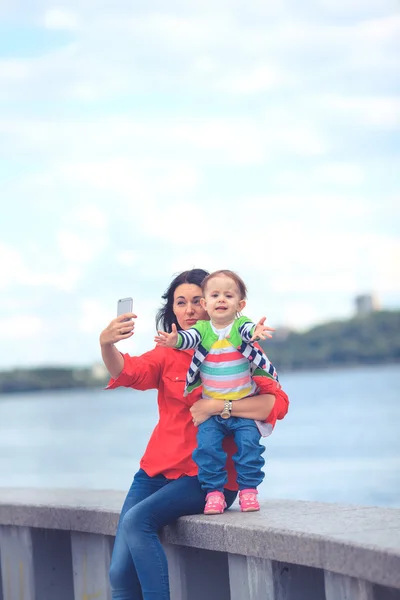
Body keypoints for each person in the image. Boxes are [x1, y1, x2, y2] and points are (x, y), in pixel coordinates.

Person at [100, 268, 289, 600]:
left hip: (208, 477)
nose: (188, 310)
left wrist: (219, 407)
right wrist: (107, 344)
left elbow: (274, 404)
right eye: (180, 302)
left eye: (197, 301)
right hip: (155, 470)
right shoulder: (167, 353)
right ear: (171, 309)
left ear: (213, 303)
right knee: (119, 572)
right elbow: (128, 372)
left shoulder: (238, 348)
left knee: (137, 521)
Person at [155, 269, 279, 515]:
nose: (221, 299)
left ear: (239, 304)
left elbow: (247, 331)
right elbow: (187, 339)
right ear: (206, 303)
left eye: (228, 296)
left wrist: (255, 333)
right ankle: (214, 493)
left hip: (243, 410)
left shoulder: (240, 326)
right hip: (211, 414)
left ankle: (249, 491)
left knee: (249, 447)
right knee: (207, 449)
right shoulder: (203, 330)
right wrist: (173, 341)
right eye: (215, 295)